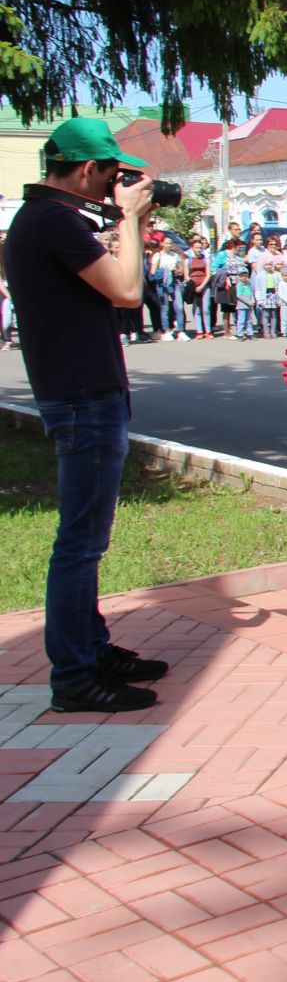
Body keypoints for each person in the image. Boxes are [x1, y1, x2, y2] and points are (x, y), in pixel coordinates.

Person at [0, 117, 169, 712]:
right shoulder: (52, 222)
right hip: (82, 396)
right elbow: (126, 291)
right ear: (85, 169)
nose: (113, 185)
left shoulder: (40, 221)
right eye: (109, 174)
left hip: (79, 391)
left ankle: (91, 650)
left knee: (83, 542)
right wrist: (128, 220)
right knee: (79, 545)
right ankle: (74, 675)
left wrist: (130, 220)